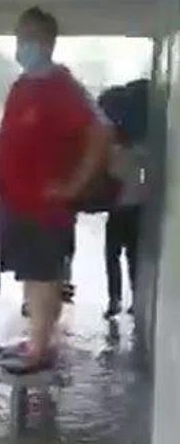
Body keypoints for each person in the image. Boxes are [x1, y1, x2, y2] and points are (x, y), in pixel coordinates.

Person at [0, 7, 113, 373]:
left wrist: (74, 184)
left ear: (45, 41)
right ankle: (37, 341)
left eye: (25, 38)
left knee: (43, 277)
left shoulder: (62, 87)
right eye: (18, 37)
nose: (20, 46)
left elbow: (100, 133)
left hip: (43, 208)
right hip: (17, 204)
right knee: (31, 277)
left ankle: (38, 351)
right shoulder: (21, 86)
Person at [98, 81, 148, 317]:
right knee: (130, 257)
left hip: (120, 208)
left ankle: (116, 299)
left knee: (114, 256)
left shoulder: (113, 148)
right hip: (132, 208)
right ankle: (130, 299)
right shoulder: (140, 148)